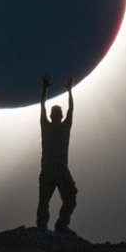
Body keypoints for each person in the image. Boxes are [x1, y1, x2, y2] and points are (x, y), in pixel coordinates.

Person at [36, 75, 77, 232]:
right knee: (68, 198)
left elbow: (42, 107)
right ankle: (58, 225)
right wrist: (69, 91)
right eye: (59, 112)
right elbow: (70, 109)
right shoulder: (61, 126)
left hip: (50, 168)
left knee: (47, 200)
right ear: (58, 115)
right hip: (57, 167)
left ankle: (47, 226)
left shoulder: (47, 126)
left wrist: (45, 90)